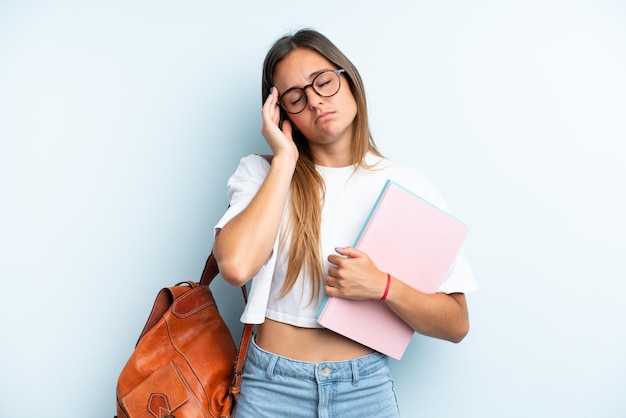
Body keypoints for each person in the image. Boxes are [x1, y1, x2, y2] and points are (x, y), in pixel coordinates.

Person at [212, 29, 478, 418]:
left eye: (323, 82)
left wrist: (384, 287)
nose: (316, 101)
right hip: (271, 388)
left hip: (364, 390)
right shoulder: (262, 173)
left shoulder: (407, 185)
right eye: (296, 98)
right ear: (281, 114)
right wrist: (284, 159)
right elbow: (235, 267)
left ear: (349, 79)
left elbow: (456, 323)